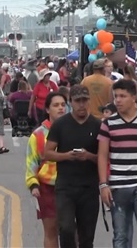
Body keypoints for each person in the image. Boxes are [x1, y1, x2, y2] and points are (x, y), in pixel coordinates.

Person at [98, 79, 137, 248]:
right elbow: (102, 155)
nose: (117, 100)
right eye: (115, 96)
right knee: (121, 235)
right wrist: (103, 185)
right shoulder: (108, 124)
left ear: (133, 98)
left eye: (122, 96)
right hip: (118, 186)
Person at [44, 85, 100, 248]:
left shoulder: (97, 125)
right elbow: (47, 153)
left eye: (85, 100)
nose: (81, 105)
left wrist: (88, 156)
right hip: (66, 187)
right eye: (77, 101)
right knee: (66, 229)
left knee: (87, 235)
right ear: (71, 103)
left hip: (89, 187)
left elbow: (104, 158)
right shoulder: (61, 125)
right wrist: (67, 156)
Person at [25, 92, 66, 248]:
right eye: (56, 105)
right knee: (51, 231)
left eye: (63, 105)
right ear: (47, 109)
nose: (61, 108)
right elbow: (31, 163)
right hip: (47, 188)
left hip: (71, 187)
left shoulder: (74, 129)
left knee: (71, 231)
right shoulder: (38, 135)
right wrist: (33, 184)